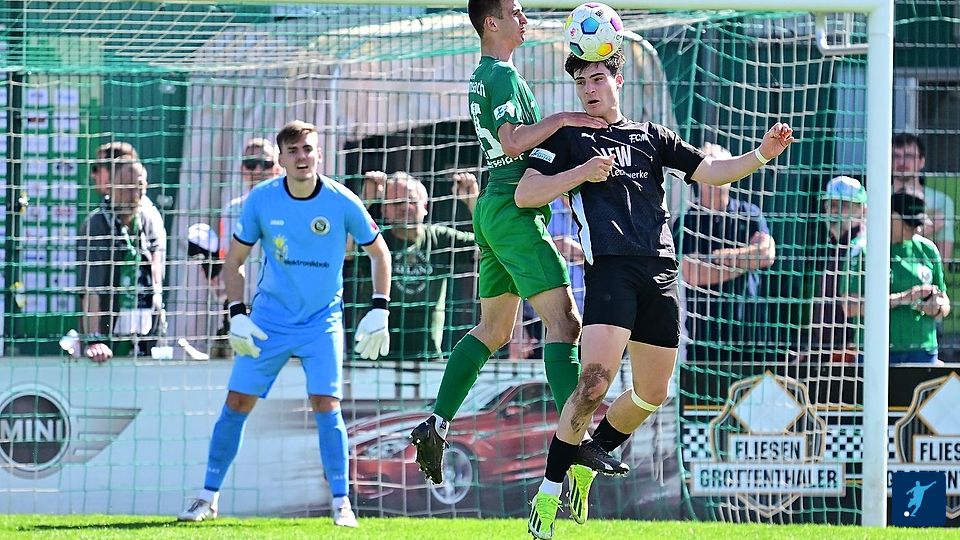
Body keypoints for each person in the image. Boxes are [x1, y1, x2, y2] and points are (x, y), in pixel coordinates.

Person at [519, 51, 794, 539]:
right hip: (610, 271)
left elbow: (711, 171)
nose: (589, 89)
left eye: (597, 78)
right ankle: (547, 491)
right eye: (582, 82)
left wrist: (762, 154)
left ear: (618, 81)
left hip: (661, 273)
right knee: (594, 383)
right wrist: (581, 173)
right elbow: (526, 193)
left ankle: (590, 456)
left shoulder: (652, 136)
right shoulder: (567, 137)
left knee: (653, 393)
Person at [409, 0, 621, 485]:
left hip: (493, 207)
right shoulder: (501, 75)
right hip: (513, 208)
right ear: (492, 22)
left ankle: (437, 423)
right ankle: (578, 440)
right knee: (565, 323)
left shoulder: (485, 75)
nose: (525, 19)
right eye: (517, 12)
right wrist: (564, 119)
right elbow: (512, 141)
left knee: (494, 329)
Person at [177, 120, 392, 527]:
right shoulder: (261, 200)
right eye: (293, 151)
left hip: (321, 321)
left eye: (307, 149)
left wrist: (380, 308)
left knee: (327, 404)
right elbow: (233, 262)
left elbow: (380, 253)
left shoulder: (342, 200)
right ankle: (207, 497)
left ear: (319, 154)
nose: (301, 157)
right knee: (236, 403)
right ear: (282, 159)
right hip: (269, 321)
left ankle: (341, 503)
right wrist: (237, 314)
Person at [353, 171, 477, 363]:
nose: (405, 208)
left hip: (427, 356)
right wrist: (365, 202)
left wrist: (473, 201)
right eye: (396, 203)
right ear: (384, 210)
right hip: (374, 354)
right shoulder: (375, 239)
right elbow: (346, 251)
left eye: (411, 201)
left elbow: (488, 248)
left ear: (425, 206)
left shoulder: (440, 238)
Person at [675, 143, 777, 366]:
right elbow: (693, 273)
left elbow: (767, 254)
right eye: (709, 167)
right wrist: (746, 261)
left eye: (722, 166)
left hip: (751, 336)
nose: (716, 175)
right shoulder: (686, 222)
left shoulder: (750, 213)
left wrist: (720, 258)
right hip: (705, 340)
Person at [846, 191, 949, 365]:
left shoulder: (928, 249)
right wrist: (905, 298)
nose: (917, 229)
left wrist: (937, 308)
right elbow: (850, 307)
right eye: (910, 224)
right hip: (876, 349)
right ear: (891, 216)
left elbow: (945, 302)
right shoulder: (864, 250)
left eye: (919, 224)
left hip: (923, 350)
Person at [77, 159, 165, 362]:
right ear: (111, 187)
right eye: (126, 187)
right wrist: (94, 339)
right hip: (106, 336)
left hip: (145, 332)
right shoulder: (96, 224)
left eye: (139, 186)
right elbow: (91, 290)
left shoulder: (149, 221)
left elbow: (156, 279)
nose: (134, 194)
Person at [207, 139, 283, 357]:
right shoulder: (232, 210)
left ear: (277, 168)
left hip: (280, 307)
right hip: (243, 303)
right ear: (242, 169)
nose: (258, 170)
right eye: (251, 164)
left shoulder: (288, 206)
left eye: (265, 164)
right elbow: (226, 258)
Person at [809, 175, 866, 362]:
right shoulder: (835, 247)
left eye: (843, 205)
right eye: (830, 205)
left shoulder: (863, 248)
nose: (834, 211)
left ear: (862, 210)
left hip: (853, 354)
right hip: (829, 353)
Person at [892, 133, 954, 262]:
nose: (901, 162)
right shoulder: (876, 198)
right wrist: (929, 228)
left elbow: (943, 260)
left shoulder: (941, 201)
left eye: (909, 156)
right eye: (895, 156)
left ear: (922, 161)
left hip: (924, 271)